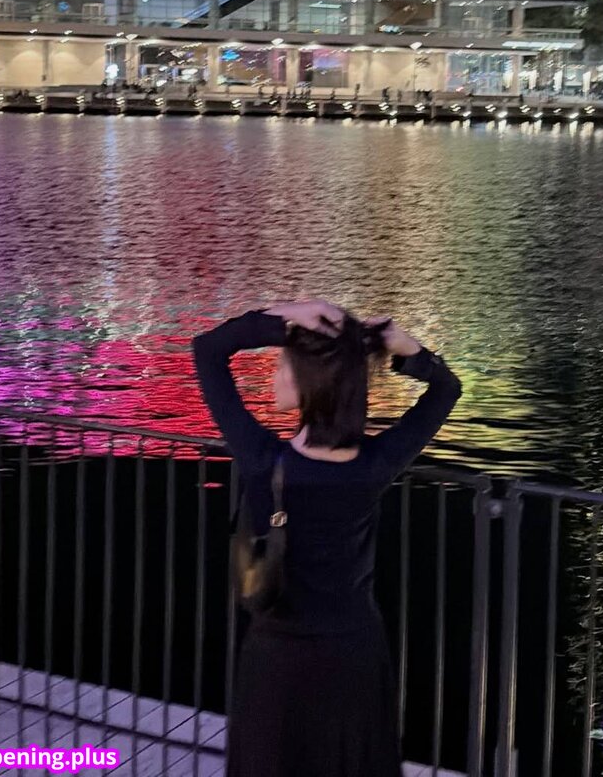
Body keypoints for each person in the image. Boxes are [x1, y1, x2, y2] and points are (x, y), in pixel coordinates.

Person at [193, 300, 462, 777]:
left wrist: (283, 318)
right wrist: (406, 351)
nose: (274, 375)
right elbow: (447, 389)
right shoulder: (375, 465)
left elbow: (209, 350)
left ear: (308, 384)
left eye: (283, 365)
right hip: (354, 650)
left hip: (278, 655)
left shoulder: (263, 460)